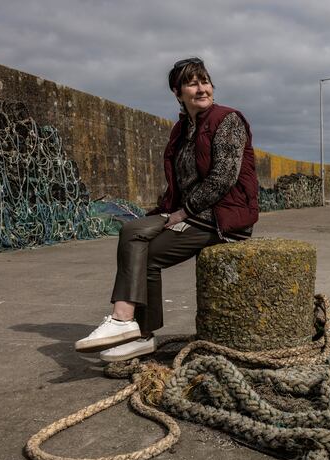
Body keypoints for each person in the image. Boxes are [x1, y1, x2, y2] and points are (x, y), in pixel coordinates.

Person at [75, 57, 258, 361]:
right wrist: (162, 212)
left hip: (221, 218)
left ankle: (126, 322)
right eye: (192, 82)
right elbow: (179, 183)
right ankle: (135, 332)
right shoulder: (181, 130)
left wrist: (182, 213)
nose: (201, 88)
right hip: (193, 213)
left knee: (144, 251)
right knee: (132, 230)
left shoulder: (227, 120)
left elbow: (223, 178)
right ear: (178, 92)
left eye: (205, 81)